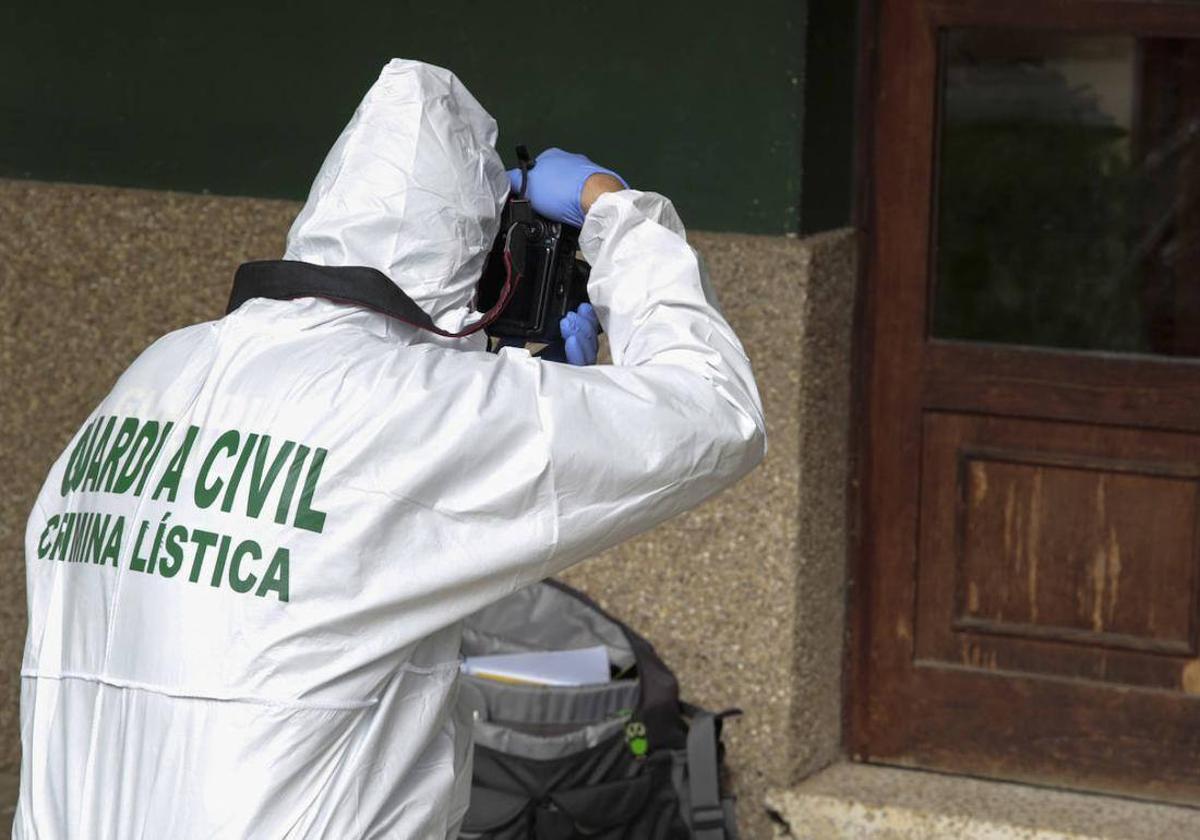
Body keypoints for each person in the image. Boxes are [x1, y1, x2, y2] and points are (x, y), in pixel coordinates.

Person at [17, 59, 766, 839]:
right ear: (468, 277)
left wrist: (502, 392)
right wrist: (613, 210)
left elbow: (329, 571)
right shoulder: (416, 409)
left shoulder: (155, 373)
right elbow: (716, 407)